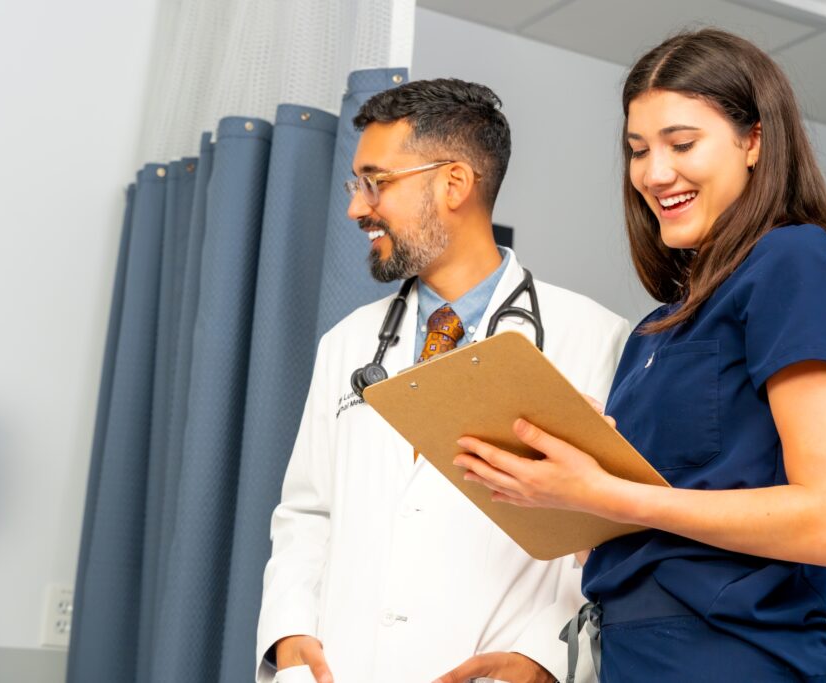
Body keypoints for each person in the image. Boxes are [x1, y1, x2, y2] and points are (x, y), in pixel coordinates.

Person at [454, 29, 826, 682]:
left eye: (682, 144)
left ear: (755, 141)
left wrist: (612, 489)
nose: (655, 173)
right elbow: (641, 541)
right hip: (631, 653)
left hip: (733, 657)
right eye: (638, 150)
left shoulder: (797, 262)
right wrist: (574, 468)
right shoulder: (657, 330)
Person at [255, 78, 630, 683]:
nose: (356, 207)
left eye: (376, 183)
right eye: (358, 185)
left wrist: (544, 659)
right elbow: (307, 513)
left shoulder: (594, 339)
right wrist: (290, 634)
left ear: (454, 182)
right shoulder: (348, 343)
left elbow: (602, 538)